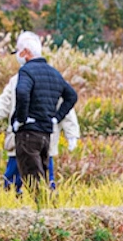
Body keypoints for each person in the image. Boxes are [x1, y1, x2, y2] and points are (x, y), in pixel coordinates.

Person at [0, 71, 80, 193]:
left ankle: (44, 207)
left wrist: (72, 134)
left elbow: (66, 107)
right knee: (13, 183)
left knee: (43, 182)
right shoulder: (17, 79)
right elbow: (4, 103)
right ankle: (16, 208)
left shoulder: (51, 78)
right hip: (23, 141)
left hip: (41, 142)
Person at [10, 31, 77, 194]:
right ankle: (48, 213)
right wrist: (56, 117)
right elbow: (71, 96)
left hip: (28, 134)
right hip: (46, 135)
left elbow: (22, 92)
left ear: (26, 52)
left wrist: (21, 118)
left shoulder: (26, 71)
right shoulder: (53, 72)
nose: (17, 55)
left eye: (19, 51)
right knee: (43, 180)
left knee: (34, 185)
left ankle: (45, 214)